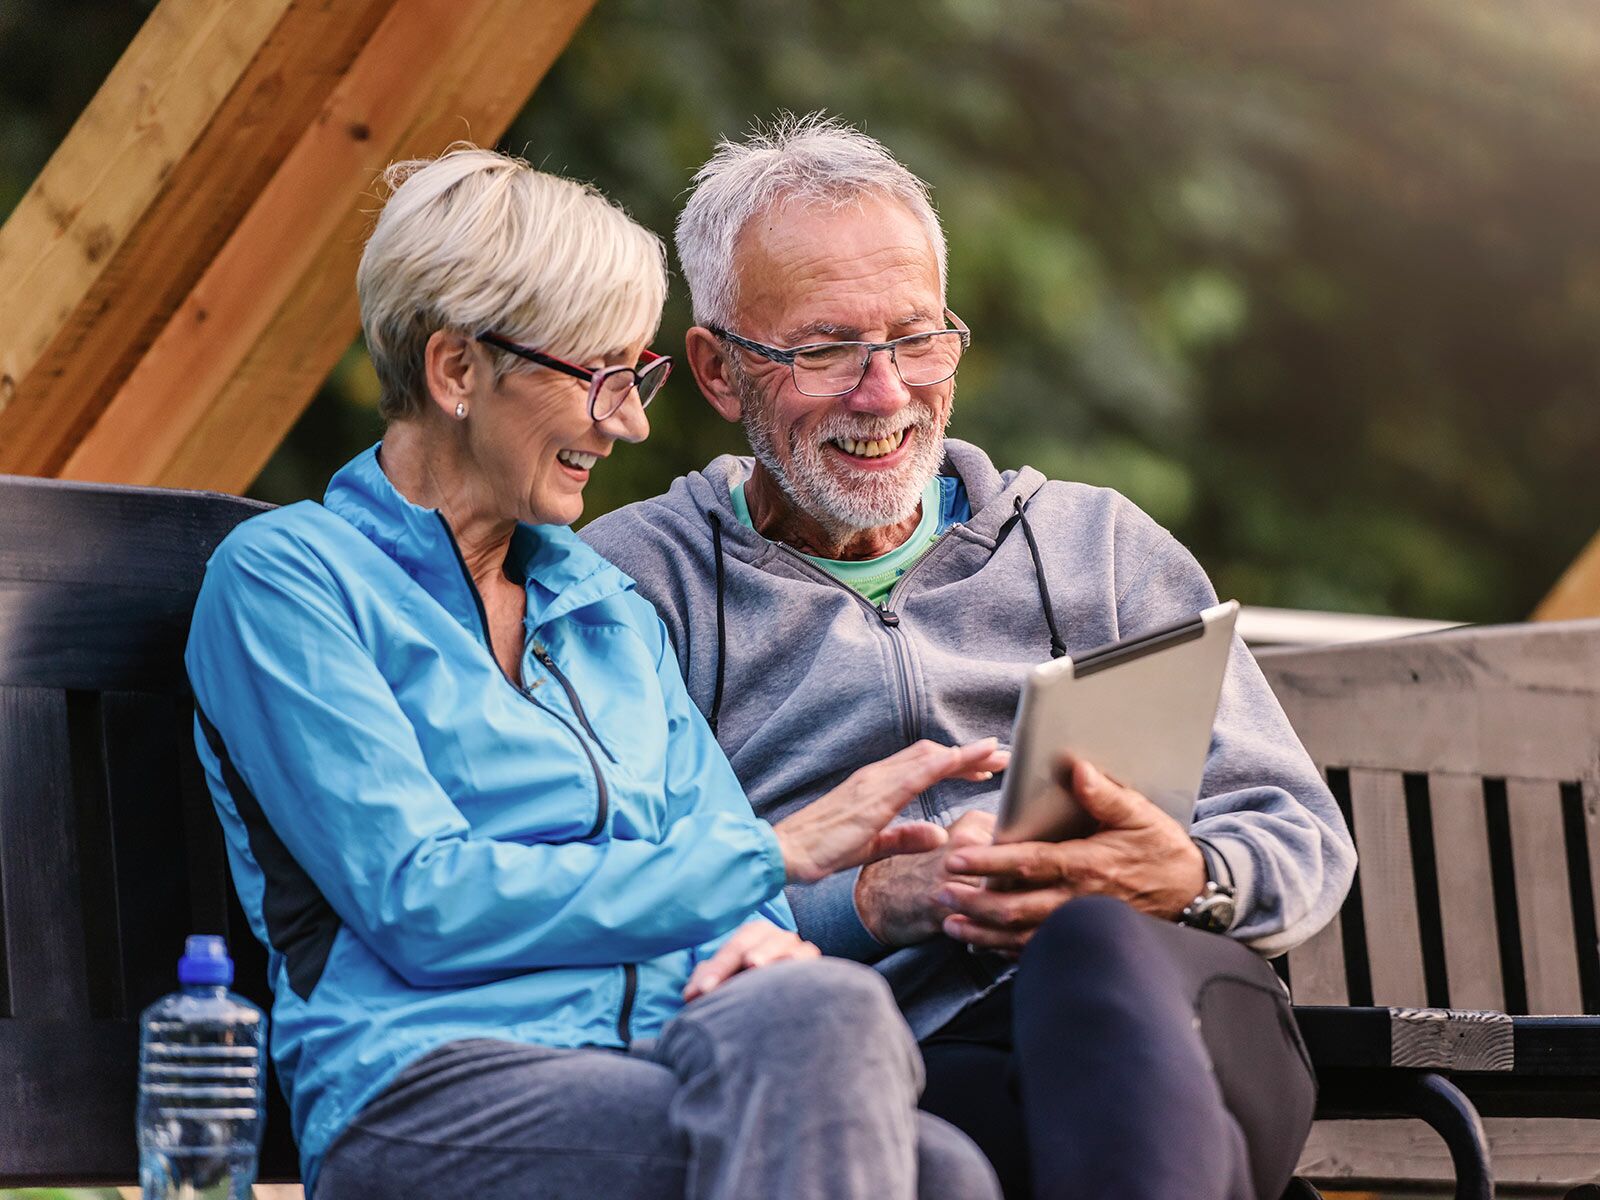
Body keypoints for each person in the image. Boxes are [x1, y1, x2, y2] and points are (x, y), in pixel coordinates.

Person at [184, 145, 1006, 1200]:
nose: (632, 421)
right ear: (455, 371)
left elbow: (725, 885)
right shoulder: (288, 584)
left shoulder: (602, 608)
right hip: (429, 1088)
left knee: (921, 1139)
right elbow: (419, 899)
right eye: (602, 378)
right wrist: (773, 855)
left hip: (650, 1057)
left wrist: (763, 943)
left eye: (640, 376)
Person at [582, 115, 1359, 1200]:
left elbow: (1292, 827)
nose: (884, 391)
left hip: (1182, 1004)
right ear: (717, 369)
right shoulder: (629, 586)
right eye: (824, 348)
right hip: (902, 1064)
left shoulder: (1095, 545)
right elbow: (617, 906)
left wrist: (1184, 874)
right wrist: (874, 901)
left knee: (1092, 947)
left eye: (914, 337)